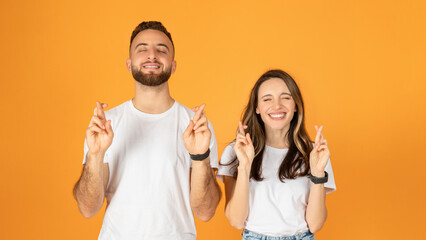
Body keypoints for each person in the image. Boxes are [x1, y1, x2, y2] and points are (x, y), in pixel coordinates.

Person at [73, 21, 221, 240]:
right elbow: (88, 209)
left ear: (173, 65)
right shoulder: (106, 124)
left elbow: (205, 212)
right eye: (142, 49)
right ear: (129, 63)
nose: (152, 55)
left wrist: (200, 156)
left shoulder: (196, 126)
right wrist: (95, 155)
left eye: (162, 50)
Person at [218, 69, 336, 240]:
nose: (277, 105)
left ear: (296, 105)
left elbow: (315, 224)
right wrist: (244, 166)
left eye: (286, 97)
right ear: (257, 108)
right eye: (267, 99)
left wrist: (318, 173)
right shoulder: (236, 151)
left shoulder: (315, 153)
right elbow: (236, 221)